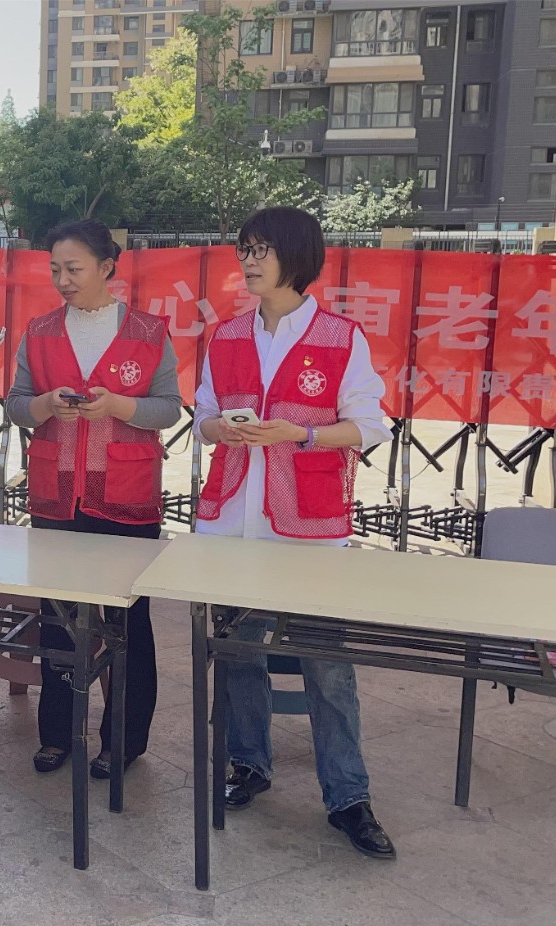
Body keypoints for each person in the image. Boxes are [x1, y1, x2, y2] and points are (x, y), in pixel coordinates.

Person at [194, 205, 395, 859]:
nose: (249, 261)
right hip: (233, 521)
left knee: (327, 664)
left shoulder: (341, 337)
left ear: (297, 258)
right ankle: (248, 764)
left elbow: (369, 425)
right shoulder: (227, 336)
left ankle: (348, 796)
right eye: (245, 250)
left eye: (263, 250)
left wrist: (300, 433)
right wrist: (222, 429)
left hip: (309, 526)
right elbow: (202, 417)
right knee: (237, 653)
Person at [4, 219, 181, 779]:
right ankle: (58, 733)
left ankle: (123, 741)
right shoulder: (40, 331)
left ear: (107, 267)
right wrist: (45, 405)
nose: (63, 280)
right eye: (55, 269)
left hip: (127, 496)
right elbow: (15, 404)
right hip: (56, 497)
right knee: (58, 618)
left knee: (128, 622)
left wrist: (118, 406)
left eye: (73, 268)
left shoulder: (148, 332)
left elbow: (169, 408)